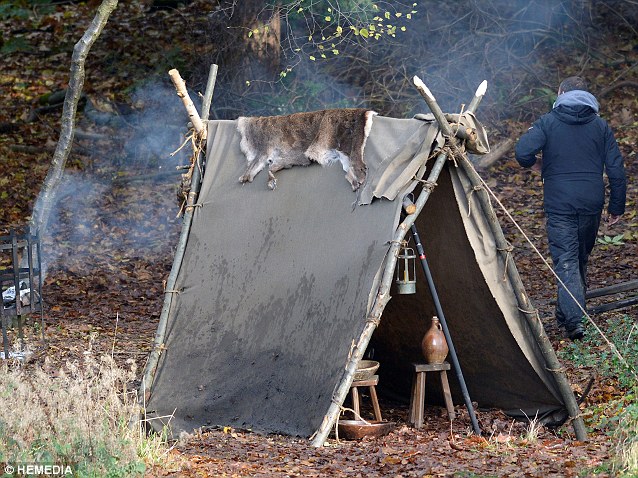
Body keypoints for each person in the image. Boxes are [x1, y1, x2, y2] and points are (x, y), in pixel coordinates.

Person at [515, 76, 626, 340]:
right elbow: (616, 170)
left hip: (560, 202)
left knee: (567, 260)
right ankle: (568, 314)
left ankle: (575, 320)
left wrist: (536, 165)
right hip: (591, 202)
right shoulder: (600, 126)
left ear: (561, 92)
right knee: (578, 258)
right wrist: (616, 207)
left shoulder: (548, 122)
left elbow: (522, 152)